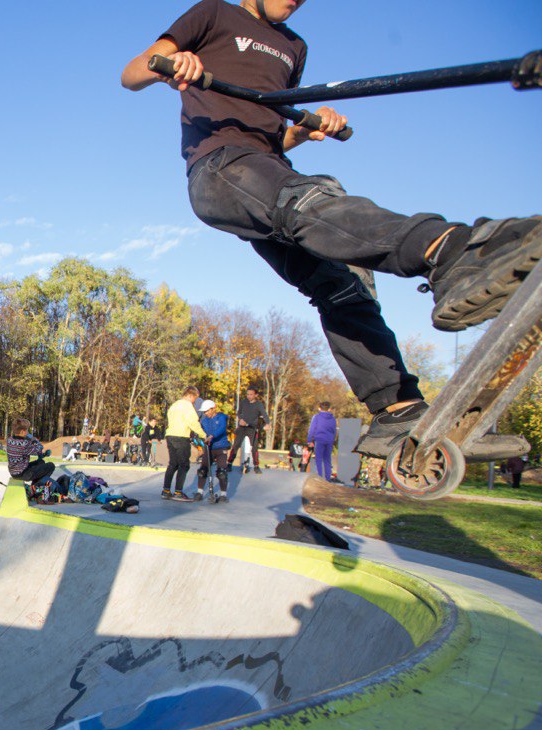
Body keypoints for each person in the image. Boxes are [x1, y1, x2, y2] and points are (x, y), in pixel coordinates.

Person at [121, 0, 541, 460]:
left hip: (268, 170)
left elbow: (271, 134)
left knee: (341, 285)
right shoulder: (214, 14)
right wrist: (174, 63)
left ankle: (395, 410)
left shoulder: (294, 46)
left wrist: (303, 131)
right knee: (312, 200)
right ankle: (453, 251)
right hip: (221, 170)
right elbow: (133, 72)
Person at [163, 386, 208, 501]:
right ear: (190, 395)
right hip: (181, 436)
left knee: (173, 464)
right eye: (195, 399)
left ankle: (166, 490)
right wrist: (204, 435)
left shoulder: (174, 405)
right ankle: (178, 492)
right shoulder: (187, 406)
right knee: (184, 464)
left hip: (170, 435)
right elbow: (193, 422)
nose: (194, 402)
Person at [195, 400, 231, 502]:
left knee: (221, 472)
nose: (206, 413)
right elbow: (201, 432)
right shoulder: (204, 421)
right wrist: (198, 439)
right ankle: (199, 492)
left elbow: (222, 428)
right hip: (208, 448)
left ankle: (223, 495)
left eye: (207, 411)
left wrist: (212, 436)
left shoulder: (221, 417)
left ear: (213, 408)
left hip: (221, 447)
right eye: (204, 412)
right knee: (202, 470)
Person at [228, 387, 268, 473]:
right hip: (242, 427)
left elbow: (264, 414)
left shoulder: (258, 404)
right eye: (247, 394)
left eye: (251, 394)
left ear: (256, 395)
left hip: (252, 428)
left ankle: (256, 466)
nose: (249, 396)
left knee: (254, 447)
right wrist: (240, 419)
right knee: (236, 445)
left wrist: (268, 423)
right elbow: (238, 413)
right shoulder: (244, 402)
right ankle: (229, 463)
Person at [6, 417, 55, 487]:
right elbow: (39, 449)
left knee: (41, 462)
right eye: (27, 430)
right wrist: (33, 439)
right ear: (22, 432)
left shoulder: (9, 440)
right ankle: (38, 487)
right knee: (51, 466)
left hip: (14, 471)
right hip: (23, 474)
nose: (28, 432)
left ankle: (34, 484)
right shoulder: (25, 444)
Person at [307, 401, 338, 482]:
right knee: (327, 460)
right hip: (329, 440)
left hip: (320, 439)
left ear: (319, 408)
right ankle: (328, 478)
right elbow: (334, 430)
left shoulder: (316, 417)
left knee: (319, 459)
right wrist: (333, 439)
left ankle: (320, 477)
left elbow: (312, 429)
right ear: (329, 409)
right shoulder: (333, 418)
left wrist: (309, 440)